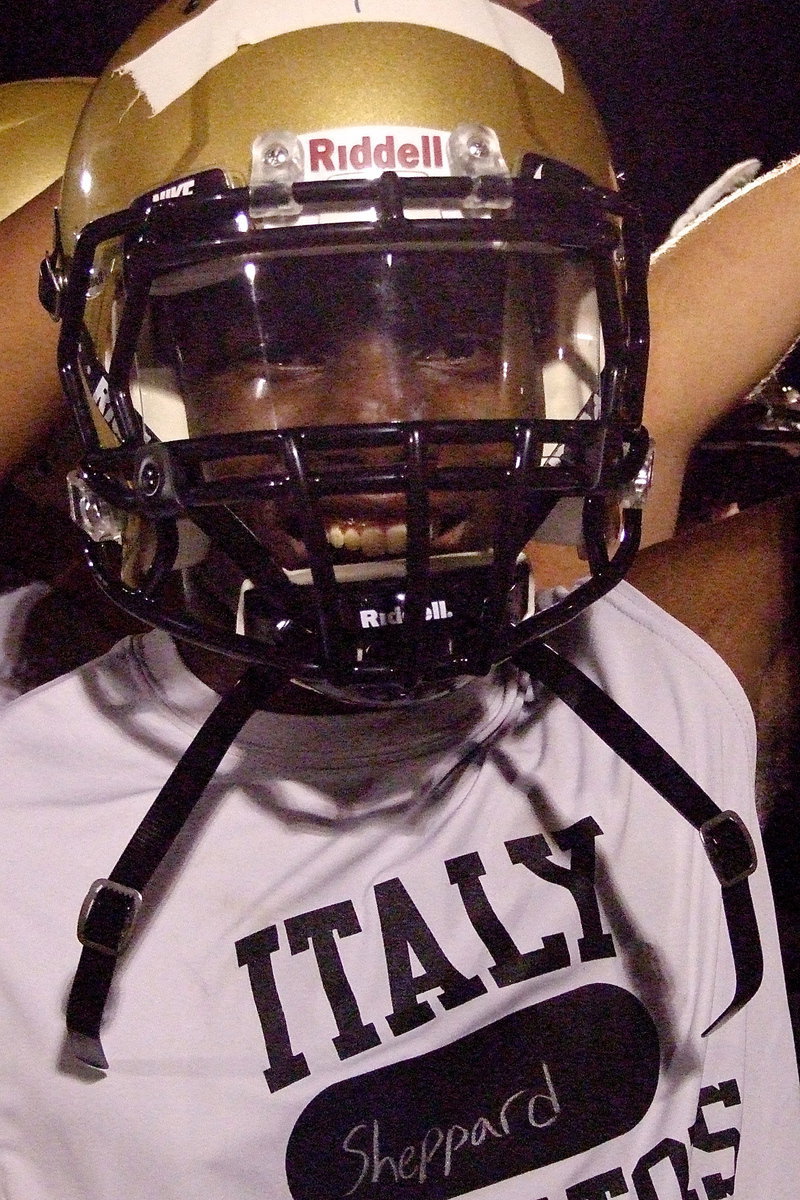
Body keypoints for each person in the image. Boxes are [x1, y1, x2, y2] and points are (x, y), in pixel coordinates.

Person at [0, 3, 798, 1198]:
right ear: (131, 382)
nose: (382, 423)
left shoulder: (671, 679)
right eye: (274, 344)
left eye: (457, 339)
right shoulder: (27, 839)